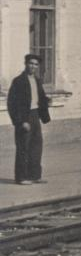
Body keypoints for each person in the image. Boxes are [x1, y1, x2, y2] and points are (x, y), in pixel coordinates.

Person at [6, 53, 51, 185]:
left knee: (36, 146)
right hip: (24, 117)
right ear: (26, 64)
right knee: (23, 147)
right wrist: (21, 121)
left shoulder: (37, 80)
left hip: (35, 115)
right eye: (30, 63)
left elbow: (39, 97)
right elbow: (12, 103)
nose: (33, 66)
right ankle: (21, 177)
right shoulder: (18, 81)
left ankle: (35, 175)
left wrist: (47, 102)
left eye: (36, 64)